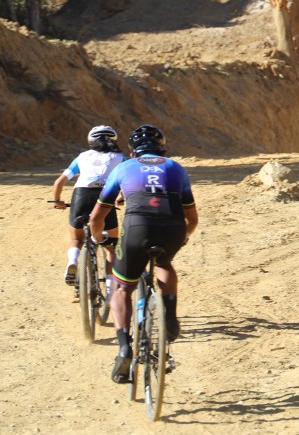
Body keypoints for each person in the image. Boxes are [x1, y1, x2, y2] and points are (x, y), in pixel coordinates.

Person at [89, 124, 198, 384]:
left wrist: (97, 237)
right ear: (162, 147)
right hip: (172, 226)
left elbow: (97, 216)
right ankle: (170, 317)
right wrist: (182, 238)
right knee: (165, 264)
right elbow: (191, 217)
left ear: (132, 150)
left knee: (121, 287)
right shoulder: (175, 167)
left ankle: (125, 347)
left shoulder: (124, 167)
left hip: (137, 228)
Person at [51, 126, 125, 290]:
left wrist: (57, 201)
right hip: (105, 198)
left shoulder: (82, 157)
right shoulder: (120, 158)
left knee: (77, 239)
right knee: (110, 246)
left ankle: (73, 261)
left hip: (81, 195)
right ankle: (110, 287)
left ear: (91, 141)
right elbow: (127, 180)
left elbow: (59, 182)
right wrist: (121, 197)